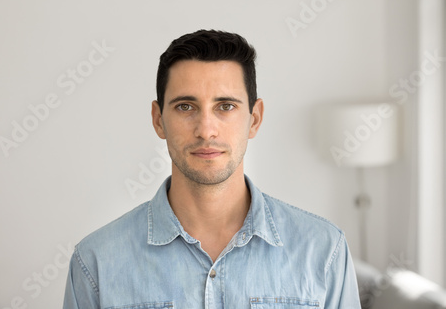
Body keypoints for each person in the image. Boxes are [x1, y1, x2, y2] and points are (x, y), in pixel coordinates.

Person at [63, 30, 361, 308]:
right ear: (158, 120)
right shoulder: (96, 262)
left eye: (225, 106)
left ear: (254, 119)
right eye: (185, 107)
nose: (206, 130)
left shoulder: (323, 250)